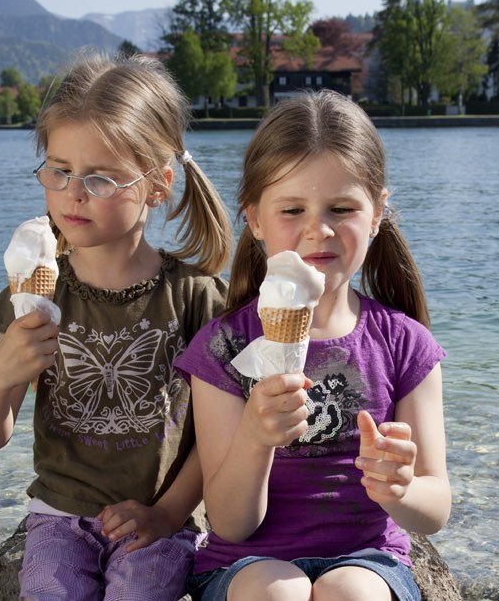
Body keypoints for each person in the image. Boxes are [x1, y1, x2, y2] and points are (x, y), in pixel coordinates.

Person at [0, 50, 232, 601]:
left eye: (101, 179)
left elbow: (218, 436)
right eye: (58, 170)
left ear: (158, 185)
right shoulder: (31, 293)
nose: (73, 193)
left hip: (158, 519)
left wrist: (168, 513)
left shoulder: (195, 298)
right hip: (58, 514)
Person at [175, 90, 450, 601]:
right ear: (254, 218)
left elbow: (434, 511)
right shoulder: (223, 348)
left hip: (367, 557)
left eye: (341, 208)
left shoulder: (405, 344)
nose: (317, 230)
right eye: (292, 209)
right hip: (245, 563)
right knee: (279, 592)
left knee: (352, 592)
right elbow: (232, 523)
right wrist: (256, 437)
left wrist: (402, 488)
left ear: (376, 214)